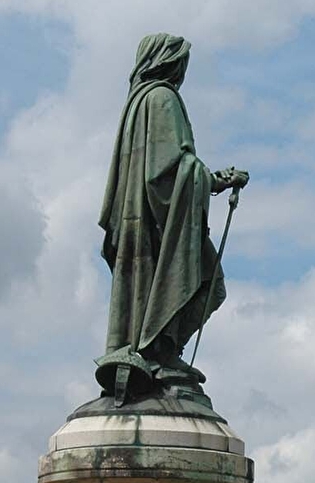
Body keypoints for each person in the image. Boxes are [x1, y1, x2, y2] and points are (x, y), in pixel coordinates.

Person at [97, 32, 247, 399]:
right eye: (181, 61)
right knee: (208, 282)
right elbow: (169, 170)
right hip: (161, 226)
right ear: (169, 62)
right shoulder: (163, 98)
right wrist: (215, 180)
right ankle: (159, 350)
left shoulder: (135, 104)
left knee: (160, 287)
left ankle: (155, 350)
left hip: (144, 222)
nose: (183, 70)